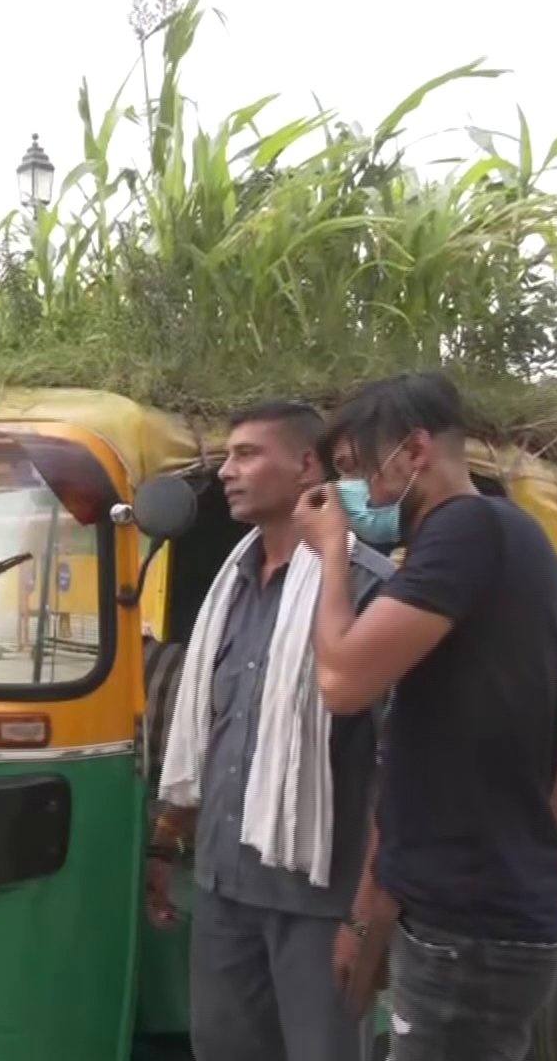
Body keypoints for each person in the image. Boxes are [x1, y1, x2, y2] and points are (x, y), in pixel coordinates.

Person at [296, 372, 557, 1061]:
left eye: (356, 473)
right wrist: (528, 870)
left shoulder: (465, 532)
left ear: (414, 451)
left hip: (471, 936)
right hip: (480, 920)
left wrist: (334, 555)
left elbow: (340, 680)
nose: (354, 497)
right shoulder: (516, 541)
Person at [146, 401, 396, 1061]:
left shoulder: (371, 593)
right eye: (227, 456)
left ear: (307, 466)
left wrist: (366, 920)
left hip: (319, 907)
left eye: (247, 454)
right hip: (225, 893)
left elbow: (403, 775)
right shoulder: (227, 587)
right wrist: (166, 844)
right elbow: (209, 735)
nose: (228, 471)